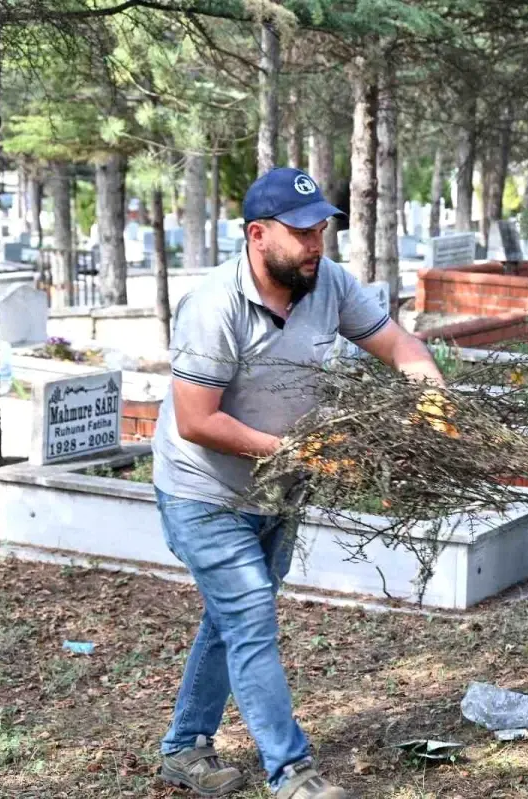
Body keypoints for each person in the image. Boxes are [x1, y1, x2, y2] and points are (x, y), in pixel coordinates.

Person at [152, 167, 447, 799]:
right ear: (258, 235)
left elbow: (402, 348)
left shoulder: (328, 284)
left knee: (230, 618)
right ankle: (292, 774)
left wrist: (430, 395)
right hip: (204, 490)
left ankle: (183, 747)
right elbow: (197, 421)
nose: (317, 244)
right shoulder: (214, 306)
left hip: (279, 489)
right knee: (251, 614)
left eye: (323, 230)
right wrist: (302, 452)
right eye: (302, 232)